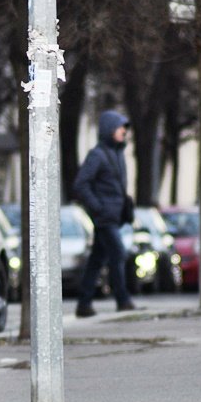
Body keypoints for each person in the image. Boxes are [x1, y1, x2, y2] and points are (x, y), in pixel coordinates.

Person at [73, 110, 135, 318]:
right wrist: (97, 207)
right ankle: (123, 299)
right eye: (120, 128)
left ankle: (84, 303)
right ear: (109, 130)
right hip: (105, 217)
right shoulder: (98, 155)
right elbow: (81, 184)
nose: (124, 132)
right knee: (118, 253)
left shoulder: (117, 153)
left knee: (97, 260)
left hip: (113, 217)